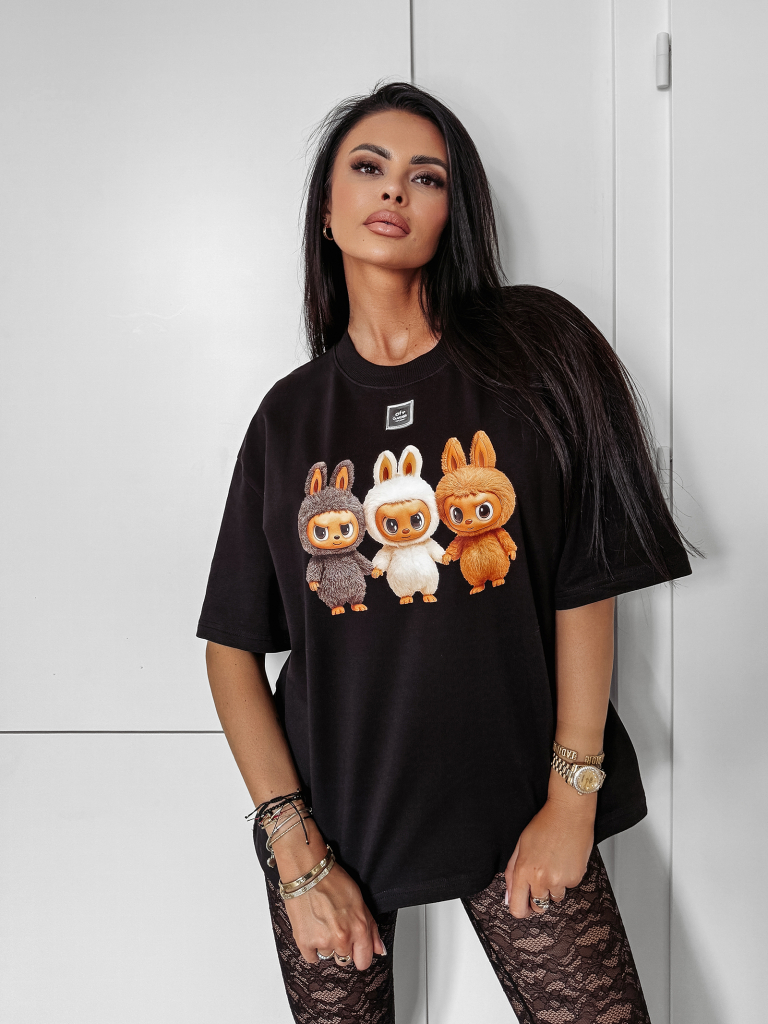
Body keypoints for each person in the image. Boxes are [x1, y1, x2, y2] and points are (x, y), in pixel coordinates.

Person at [196, 81, 695, 1024]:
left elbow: (587, 582)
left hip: (517, 801)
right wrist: (294, 849)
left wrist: (572, 798)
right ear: (329, 209)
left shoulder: (533, 358)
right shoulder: (287, 418)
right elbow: (231, 645)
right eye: (369, 167)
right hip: (331, 824)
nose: (395, 190)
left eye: (426, 177)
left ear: (451, 213)